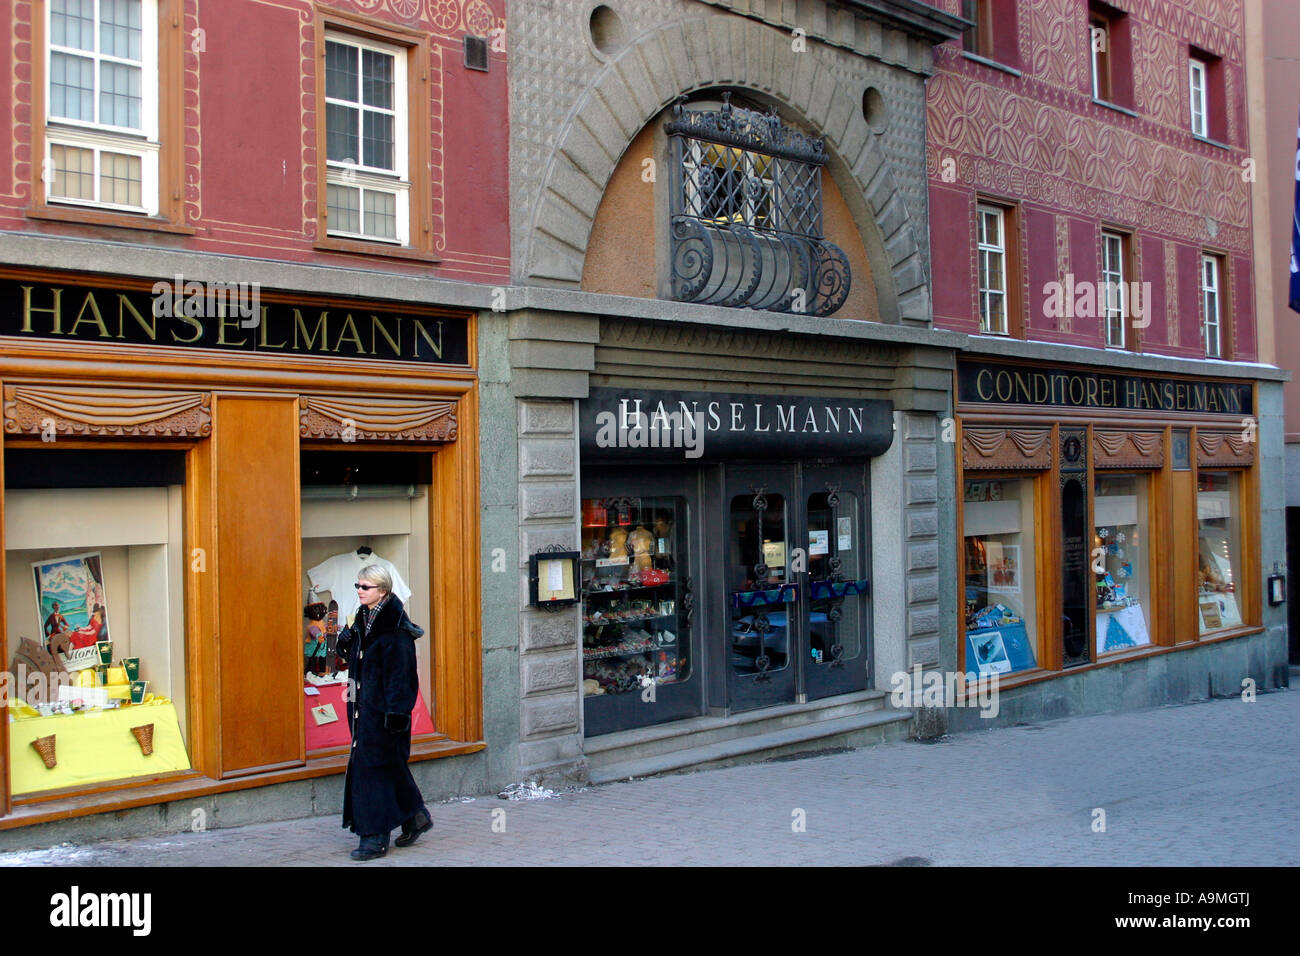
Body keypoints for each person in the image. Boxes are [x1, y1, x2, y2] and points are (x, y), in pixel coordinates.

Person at [335, 564, 432, 861]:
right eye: (358, 586)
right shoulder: (362, 622)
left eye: (366, 587)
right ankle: (415, 817)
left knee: (373, 772)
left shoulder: (396, 631)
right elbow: (348, 659)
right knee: (389, 769)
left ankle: (375, 837)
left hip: (385, 716)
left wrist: (396, 717)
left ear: (383, 591)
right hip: (362, 710)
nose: (360, 592)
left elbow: (403, 679)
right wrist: (346, 640)